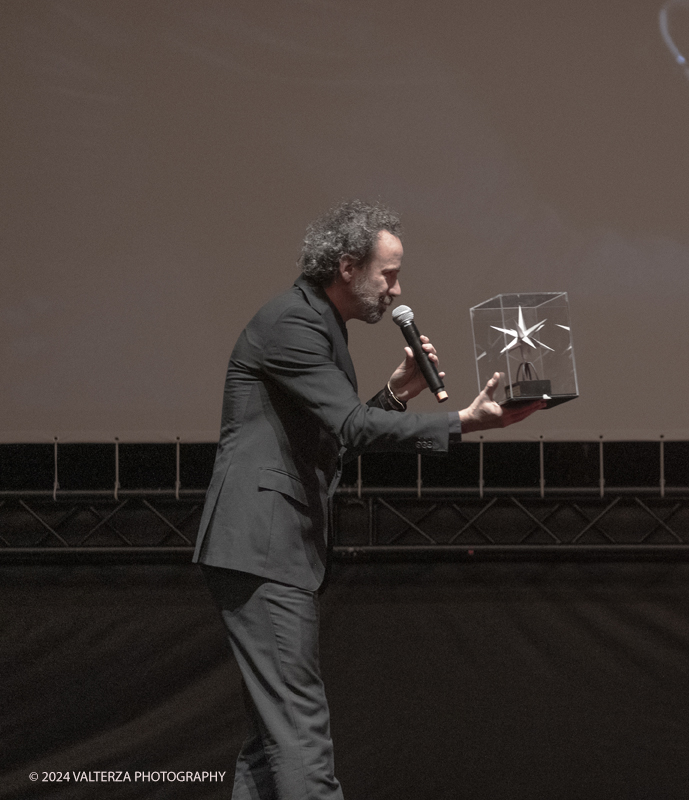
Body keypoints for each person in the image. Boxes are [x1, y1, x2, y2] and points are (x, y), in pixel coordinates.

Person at [192, 200, 542, 799]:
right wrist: (465, 421)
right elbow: (351, 429)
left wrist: (395, 393)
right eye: (389, 274)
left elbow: (335, 439)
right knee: (300, 736)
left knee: (270, 744)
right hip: (263, 543)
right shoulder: (292, 324)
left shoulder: (317, 324)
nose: (397, 289)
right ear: (347, 266)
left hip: (268, 548)